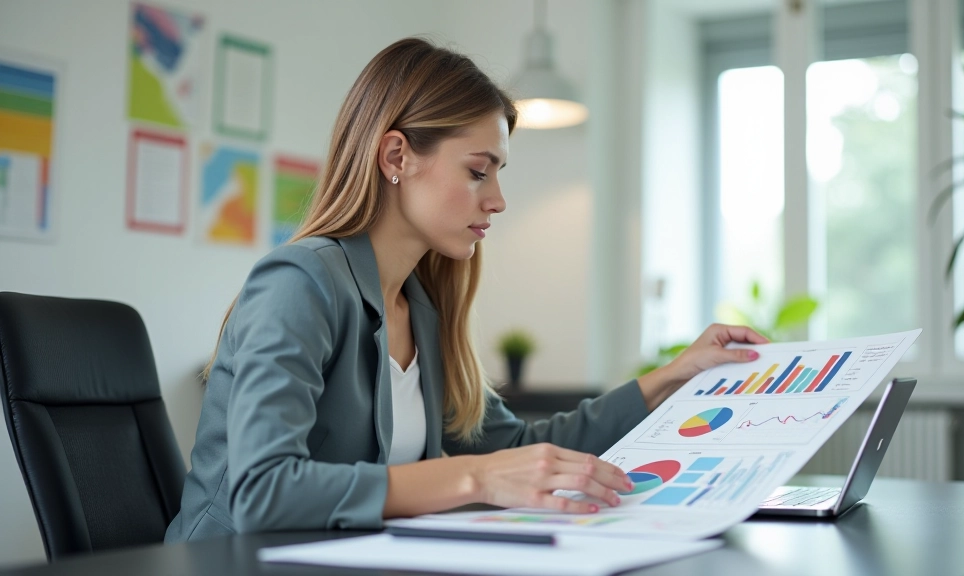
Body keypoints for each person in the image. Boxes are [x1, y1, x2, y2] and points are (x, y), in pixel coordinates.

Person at [164, 37, 766, 543]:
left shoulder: (421, 309)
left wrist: (671, 378)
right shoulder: (301, 283)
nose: (497, 199)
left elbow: (522, 447)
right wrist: (475, 478)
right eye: (478, 171)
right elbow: (260, 491)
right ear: (397, 154)